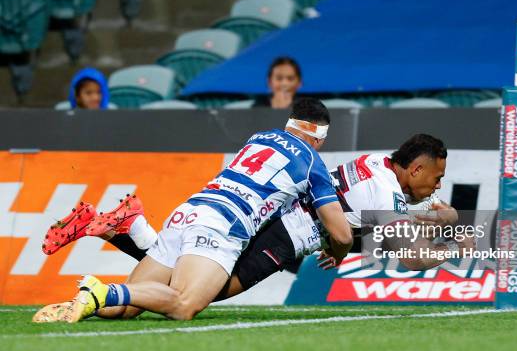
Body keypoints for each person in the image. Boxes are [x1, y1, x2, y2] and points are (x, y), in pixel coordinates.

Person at [34, 134, 471, 323]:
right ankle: (133, 232)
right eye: (435, 177)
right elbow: (409, 255)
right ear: (415, 168)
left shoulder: (383, 165)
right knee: (205, 293)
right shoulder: (387, 195)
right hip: (286, 235)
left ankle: (126, 231)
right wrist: (453, 250)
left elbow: (420, 208)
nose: (437, 185)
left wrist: (443, 216)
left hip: (275, 216)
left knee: (174, 288)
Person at [34, 97, 352, 323]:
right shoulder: (312, 161)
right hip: (223, 225)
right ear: (319, 137)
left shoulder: (259, 138)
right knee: (183, 303)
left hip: (188, 211)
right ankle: (102, 287)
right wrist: (338, 252)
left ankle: (85, 296)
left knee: (126, 306)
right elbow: (341, 233)